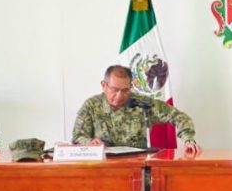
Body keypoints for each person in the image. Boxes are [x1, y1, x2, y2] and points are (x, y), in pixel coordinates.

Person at [72, 65, 200, 155]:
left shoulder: (141, 104)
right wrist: (90, 142)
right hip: (104, 168)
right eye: (114, 90)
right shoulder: (91, 106)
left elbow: (177, 115)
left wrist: (189, 140)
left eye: (125, 90)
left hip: (137, 166)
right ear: (104, 85)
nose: (119, 95)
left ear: (131, 87)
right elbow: (77, 137)